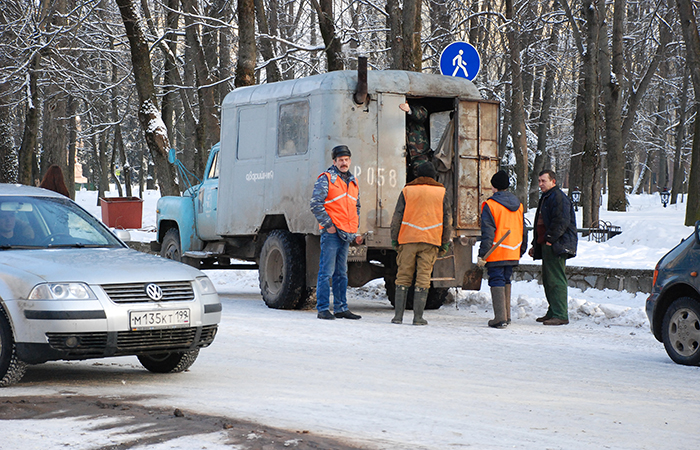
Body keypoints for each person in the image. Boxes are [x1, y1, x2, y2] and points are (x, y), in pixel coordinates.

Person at [389, 162, 452, 325]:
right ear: (433, 175)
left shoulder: (407, 190)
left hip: (408, 239)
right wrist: (444, 242)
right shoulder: (441, 192)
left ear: (418, 175)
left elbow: (397, 216)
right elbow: (447, 219)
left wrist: (395, 238)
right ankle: (418, 318)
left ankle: (398, 317)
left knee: (403, 276)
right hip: (430, 240)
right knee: (423, 278)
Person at [310, 145, 363, 320]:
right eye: (340, 160)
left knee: (341, 273)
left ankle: (341, 308)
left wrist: (355, 228)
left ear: (350, 161)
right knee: (326, 272)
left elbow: (356, 207)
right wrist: (328, 225)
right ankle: (323, 309)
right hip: (332, 233)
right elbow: (315, 204)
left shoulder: (353, 182)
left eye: (346, 160)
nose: (344, 163)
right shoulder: (326, 179)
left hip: (346, 233)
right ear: (334, 162)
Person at [477, 170, 527, 328]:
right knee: (506, 279)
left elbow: (488, 233)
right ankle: (507, 316)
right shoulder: (518, 205)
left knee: (496, 279)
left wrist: (483, 255)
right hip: (512, 250)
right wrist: (521, 249)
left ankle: (500, 318)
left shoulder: (490, 205)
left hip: (496, 251)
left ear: (493, 187)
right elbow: (523, 229)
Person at [528, 170, 578, 326]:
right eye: (539, 181)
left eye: (543, 181)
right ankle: (553, 311)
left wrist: (550, 239)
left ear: (553, 181)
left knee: (556, 279)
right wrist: (536, 244)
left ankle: (560, 314)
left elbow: (561, 221)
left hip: (556, 245)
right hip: (548, 243)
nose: (540, 184)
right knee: (549, 280)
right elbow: (542, 223)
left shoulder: (558, 197)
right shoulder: (548, 197)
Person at [398, 102, 431, 173]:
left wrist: (409, 110)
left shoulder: (415, 108)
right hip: (400, 155)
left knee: (423, 172)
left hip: (419, 153)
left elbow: (423, 115)